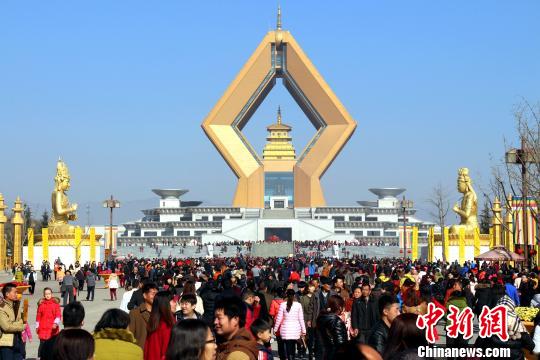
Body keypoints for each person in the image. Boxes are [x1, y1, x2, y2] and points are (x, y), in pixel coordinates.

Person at [214, 296, 258, 360]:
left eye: (219, 318)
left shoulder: (238, 355)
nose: (215, 322)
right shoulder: (230, 343)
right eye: (215, 318)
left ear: (235, 320)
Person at [273, 289, 306, 360]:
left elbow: (279, 318)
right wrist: (304, 330)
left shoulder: (282, 305)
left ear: (286, 295)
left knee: (288, 347)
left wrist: (275, 329)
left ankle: (289, 357)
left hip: (285, 329)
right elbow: (301, 319)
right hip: (295, 329)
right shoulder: (298, 305)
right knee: (293, 347)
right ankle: (292, 357)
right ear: (294, 295)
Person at [144, 291, 176, 360]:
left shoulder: (154, 322)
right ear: (165, 304)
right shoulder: (165, 326)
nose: (175, 303)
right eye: (172, 301)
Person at [316, 294, 348, 360]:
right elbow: (341, 343)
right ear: (339, 307)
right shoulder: (336, 321)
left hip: (325, 352)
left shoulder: (322, 318)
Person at [0, 283, 26, 360]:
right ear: (7, 294)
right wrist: (21, 327)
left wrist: (15, 324)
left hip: (18, 342)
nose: (16, 294)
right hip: (6, 345)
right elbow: (6, 327)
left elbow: (22, 321)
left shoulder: (16, 305)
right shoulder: (1, 308)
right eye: (15, 292)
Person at [129, 282, 158, 348]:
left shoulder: (160, 312)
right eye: (153, 294)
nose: (155, 297)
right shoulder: (135, 313)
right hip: (141, 351)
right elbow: (130, 335)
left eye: (157, 294)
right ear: (144, 295)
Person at [36, 287, 62, 358]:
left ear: (51, 294)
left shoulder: (55, 304)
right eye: (46, 294)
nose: (48, 295)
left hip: (53, 330)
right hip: (43, 329)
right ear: (44, 295)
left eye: (49, 294)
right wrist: (37, 326)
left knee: (53, 347)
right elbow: (38, 317)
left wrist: (55, 323)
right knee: (42, 346)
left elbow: (58, 315)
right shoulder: (41, 305)